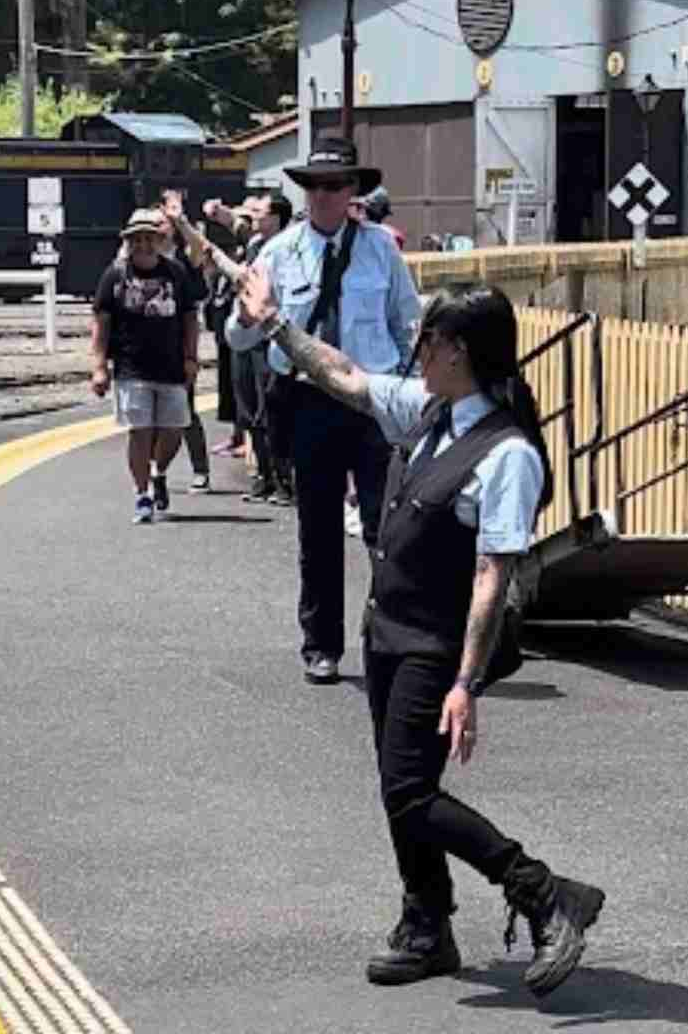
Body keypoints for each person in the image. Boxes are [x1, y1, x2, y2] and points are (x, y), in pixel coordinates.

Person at [233, 270, 604, 996]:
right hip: (390, 631)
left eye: (426, 338)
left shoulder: (507, 456)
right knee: (403, 786)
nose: (415, 348)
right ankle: (427, 923)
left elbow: (492, 577)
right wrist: (276, 324)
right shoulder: (430, 411)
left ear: (458, 351)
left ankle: (545, 890)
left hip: (439, 645)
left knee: (407, 791)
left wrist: (466, 683)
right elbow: (342, 375)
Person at [227, 135, 421, 684]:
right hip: (308, 401)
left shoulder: (382, 249)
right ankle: (321, 643)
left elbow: (406, 325)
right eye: (313, 186)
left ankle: (393, 633)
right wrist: (247, 317)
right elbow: (239, 338)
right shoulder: (279, 253)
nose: (323, 196)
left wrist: (410, 395)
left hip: (370, 396)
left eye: (334, 186)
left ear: (353, 191)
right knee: (318, 528)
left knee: (388, 525)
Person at [91, 209, 199, 523]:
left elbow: (191, 318)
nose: (143, 245)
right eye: (137, 239)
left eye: (149, 239)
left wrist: (191, 358)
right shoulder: (115, 274)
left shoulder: (176, 273)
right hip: (130, 368)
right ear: (129, 242)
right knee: (140, 432)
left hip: (172, 368)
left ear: (159, 241)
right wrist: (99, 366)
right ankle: (142, 494)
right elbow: (101, 321)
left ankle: (158, 471)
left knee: (174, 431)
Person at [211, 191, 295, 504]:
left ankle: (284, 478)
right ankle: (263, 477)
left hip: (271, 339)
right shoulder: (255, 242)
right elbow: (233, 222)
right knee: (249, 409)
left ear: (276, 217)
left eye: (259, 211)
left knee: (272, 409)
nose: (252, 216)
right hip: (245, 333)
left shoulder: (287, 249)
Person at [156, 191, 211, 495]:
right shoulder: (140, 252)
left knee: (184, 409)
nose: (161, 227)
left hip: (179, 340)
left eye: (165, 222)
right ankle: (155, 472)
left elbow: (200, 248)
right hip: (147, 342)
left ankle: (200, 469)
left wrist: (182, 220)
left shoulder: (184, 253)